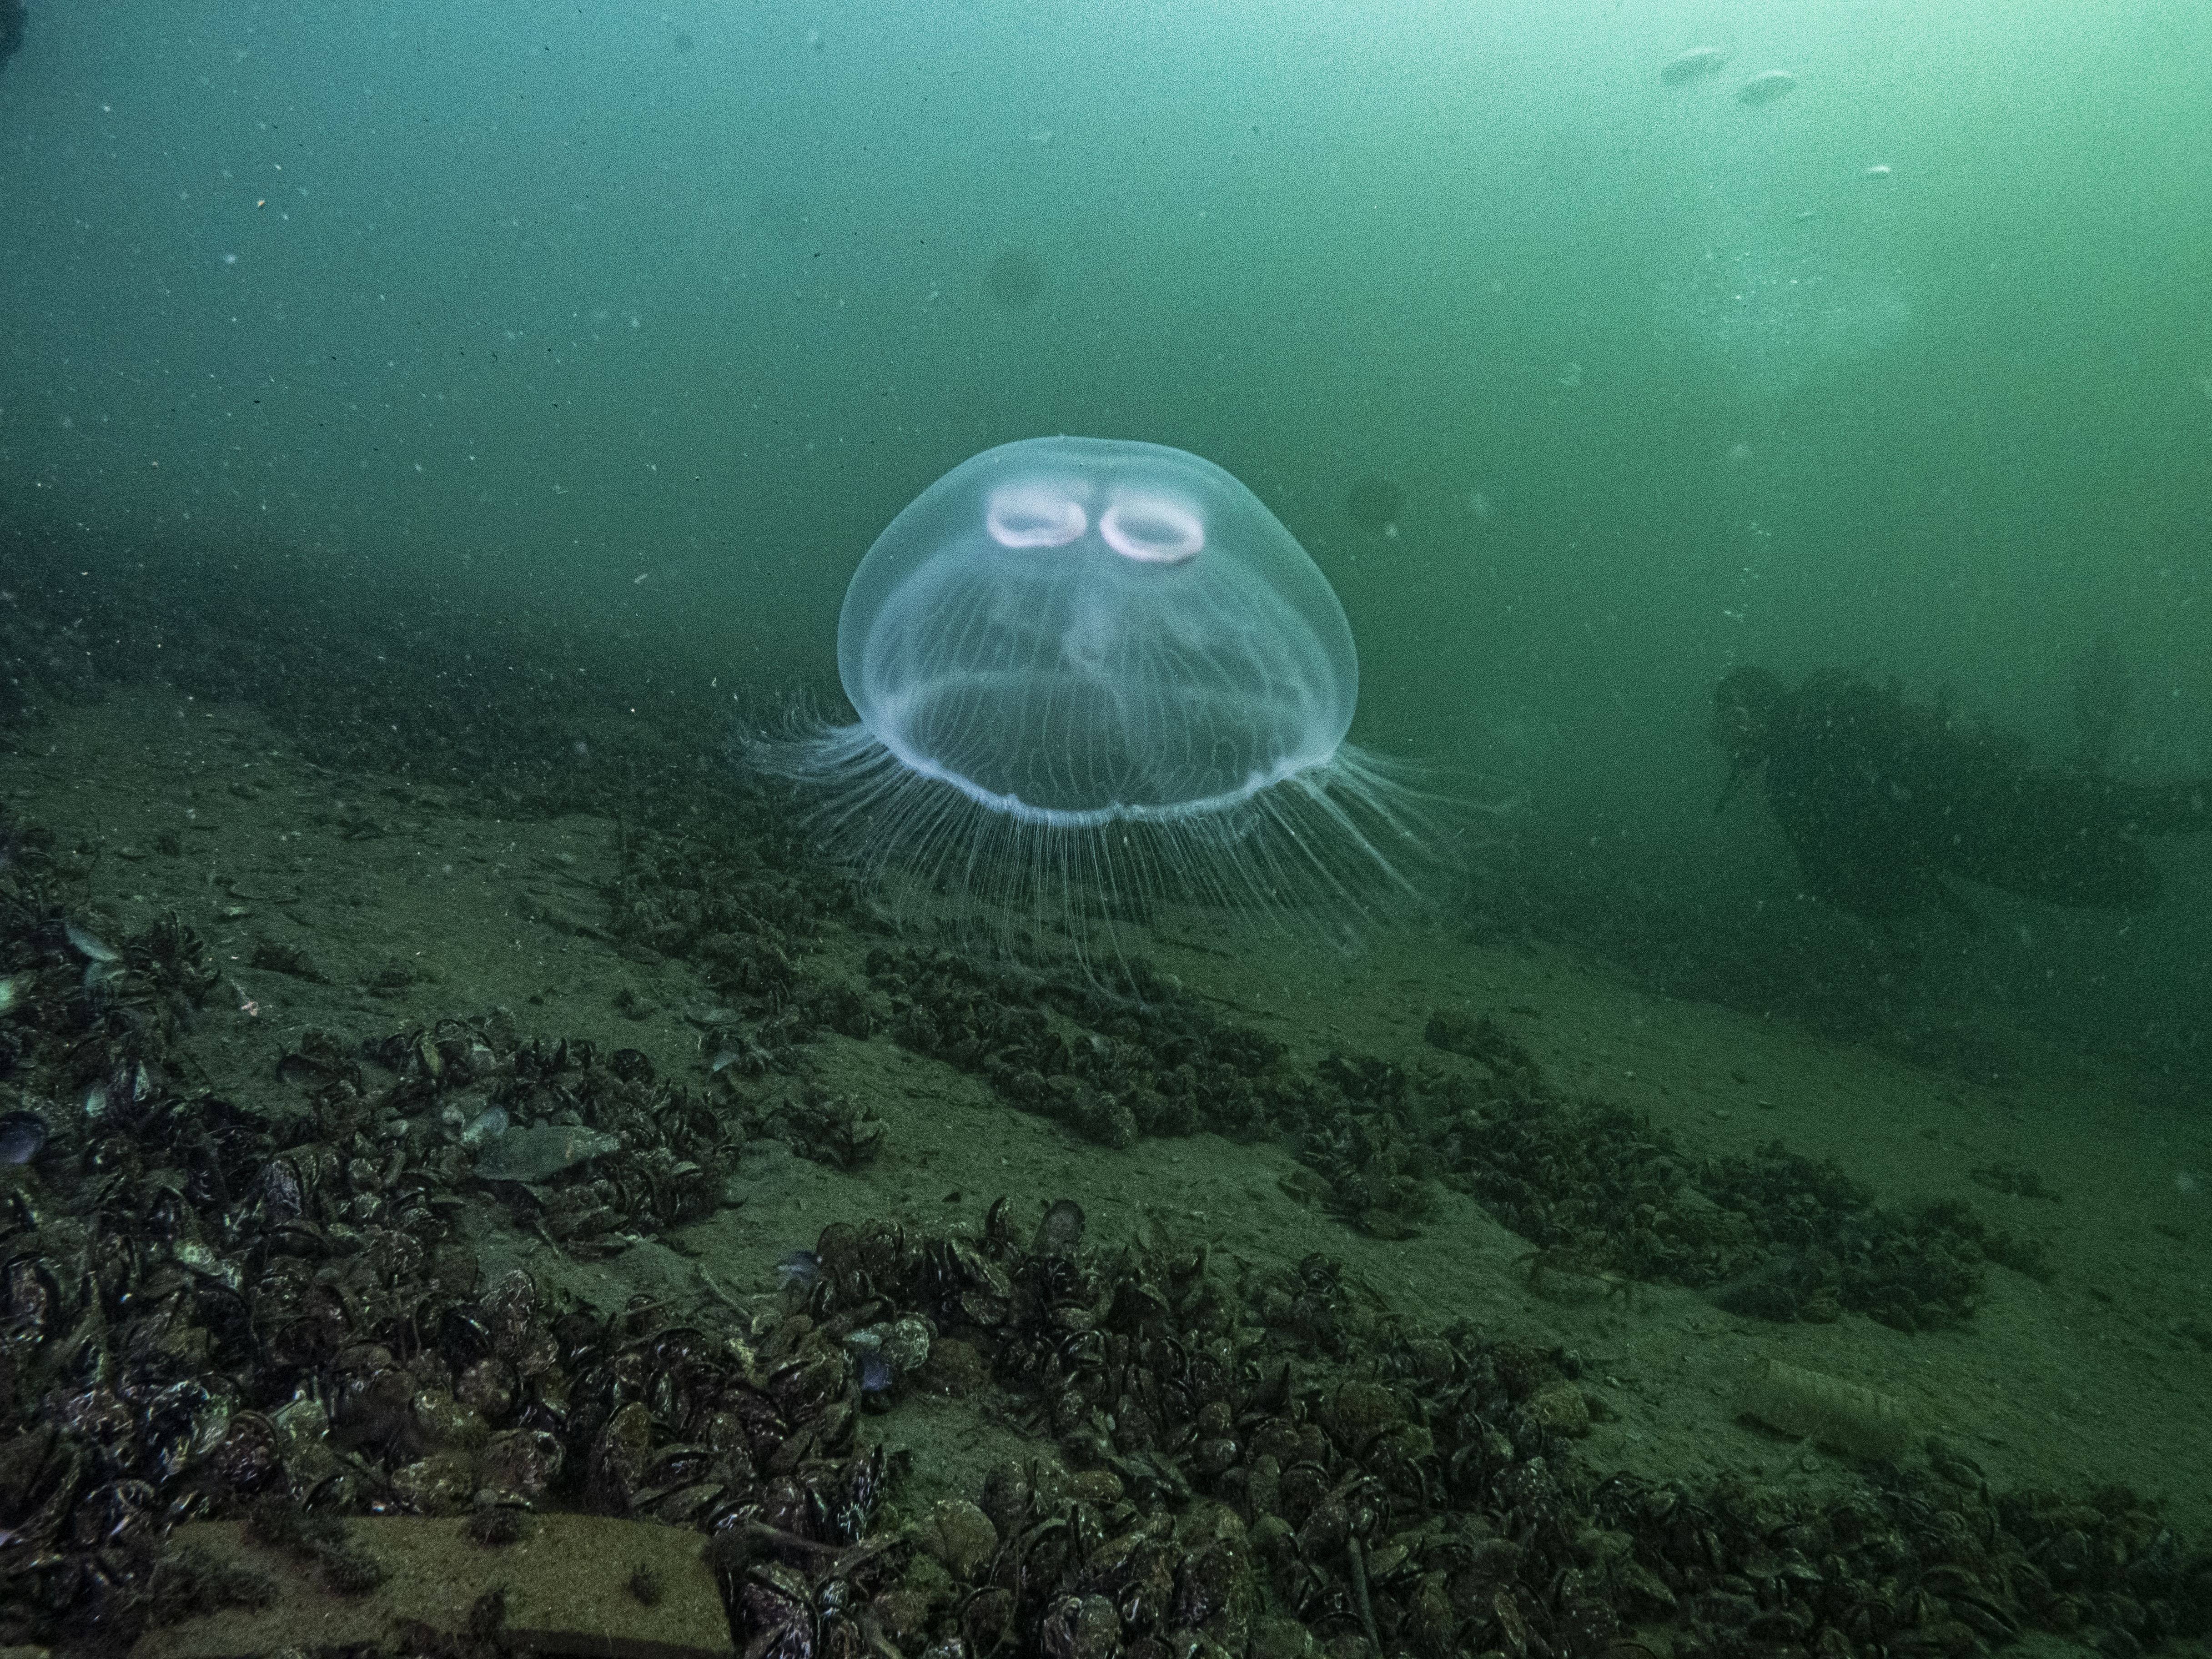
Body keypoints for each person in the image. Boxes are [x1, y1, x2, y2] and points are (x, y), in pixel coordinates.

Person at [1711, 664, 2212, 922]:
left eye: (1735, 722)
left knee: (2137, 865)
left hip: (1973, 824)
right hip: (1992, 795)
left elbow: (1836, 875)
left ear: (1760, 710)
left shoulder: (1796, 763)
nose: (1731, 740)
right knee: (2143, 831)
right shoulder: (1823, 715)